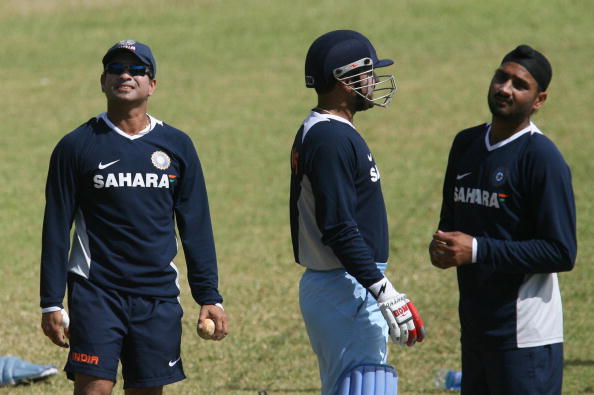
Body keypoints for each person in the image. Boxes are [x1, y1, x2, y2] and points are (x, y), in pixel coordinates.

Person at [40, 39, 228, 395]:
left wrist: (209, 297)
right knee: (93, 388)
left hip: (157, 296)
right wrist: (51, 301)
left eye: (137, 69)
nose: (126, 75)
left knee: (147, 391)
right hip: (96, 293)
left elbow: (196, 227)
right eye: (116, 69)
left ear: (152, 84)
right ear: (102, 80)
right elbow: (55, 228)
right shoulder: (76, 146)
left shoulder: (177, 146)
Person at [429, 45, 577, 395]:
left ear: (539, 100)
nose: (505, 88)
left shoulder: (541, 158)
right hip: (476, 330)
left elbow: (561, 251)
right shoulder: (465, 144)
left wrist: (477, 250)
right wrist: (442, 248)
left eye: (519, 84)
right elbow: (451, 222)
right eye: (501, 77)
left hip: (524, 338)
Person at [290, 30, 425, 395]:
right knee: (363, 386)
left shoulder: (328, 132)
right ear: (345, 81)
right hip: (345, 287)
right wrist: (384, 292)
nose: (374, 81)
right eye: (367, 73)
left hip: (344, 285)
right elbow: (338, 226)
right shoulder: (330, 139)